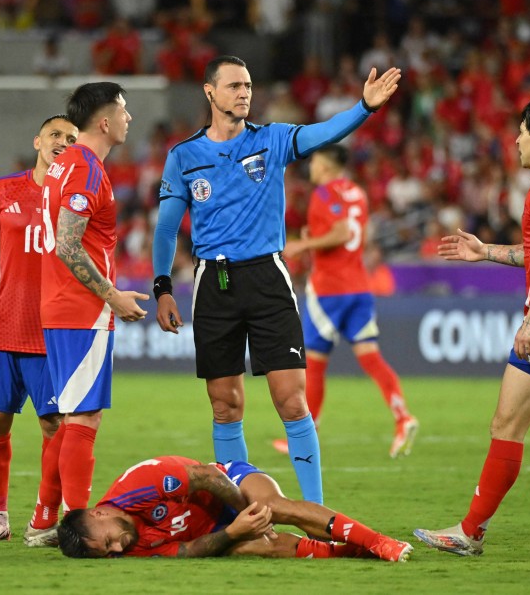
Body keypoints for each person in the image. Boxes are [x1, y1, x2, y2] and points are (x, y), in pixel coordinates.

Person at [152, 55, 401, 505]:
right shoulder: (183, 156)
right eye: (234, 86)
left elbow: (323, 132)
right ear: (210, 92)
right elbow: (168, 228)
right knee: (225, 405)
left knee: (291, 401)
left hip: (268, 277)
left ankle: (315, 513)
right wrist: (162, 287)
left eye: (248, 85)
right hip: (214, 283)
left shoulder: (273, 140)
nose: (244, 92)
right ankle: (243, 513)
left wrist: (364, 107)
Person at [414, 95, 530, 557]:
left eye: (521, 131)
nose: (515, 139)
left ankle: (470, 531)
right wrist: (485, 252)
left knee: (506, 424)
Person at [26, 82, 150, 546]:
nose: (128, 118)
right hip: (81, 309)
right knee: (84, 420)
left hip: (60, 307)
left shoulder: (63, 167)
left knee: (69, 416)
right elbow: (66, 244)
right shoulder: (86, 168)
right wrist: (112, 294)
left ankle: (43, 521)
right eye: (123, 109)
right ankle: (80, 527)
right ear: (104, 120)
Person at [0, 115, 79, 542]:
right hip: (3, 332)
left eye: (71, 138)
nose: (62, 143)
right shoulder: (3, 190)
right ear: (37, 140)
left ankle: (51, 514)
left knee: (55, 426)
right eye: (55, 135)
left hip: (52, 336)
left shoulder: (76, 197)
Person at [273, 145, 418, 459]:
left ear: (324, 166)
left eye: (314, 163)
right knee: (370, 357)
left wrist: (304, 244)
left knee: (313, 362)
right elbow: (359, 236)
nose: (310, 168)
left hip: (328, 290)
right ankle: (402, 417)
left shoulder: (323, 194)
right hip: (358, 285)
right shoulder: (357, 193)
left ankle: (305, 435)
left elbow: (339, 233)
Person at [57, 454, 413, 562]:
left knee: (271, 506)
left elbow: (208, 477)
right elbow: (186, 551)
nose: (119, 548)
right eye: (109, 553)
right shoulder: (126, 548)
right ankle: (349, 551)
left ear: (98, 514)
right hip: (215, 526)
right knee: (249, 546)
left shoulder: (136, 487)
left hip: (228, 483)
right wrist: (234, 532)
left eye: (109, 542)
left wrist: (248, 513)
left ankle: (379, 541)